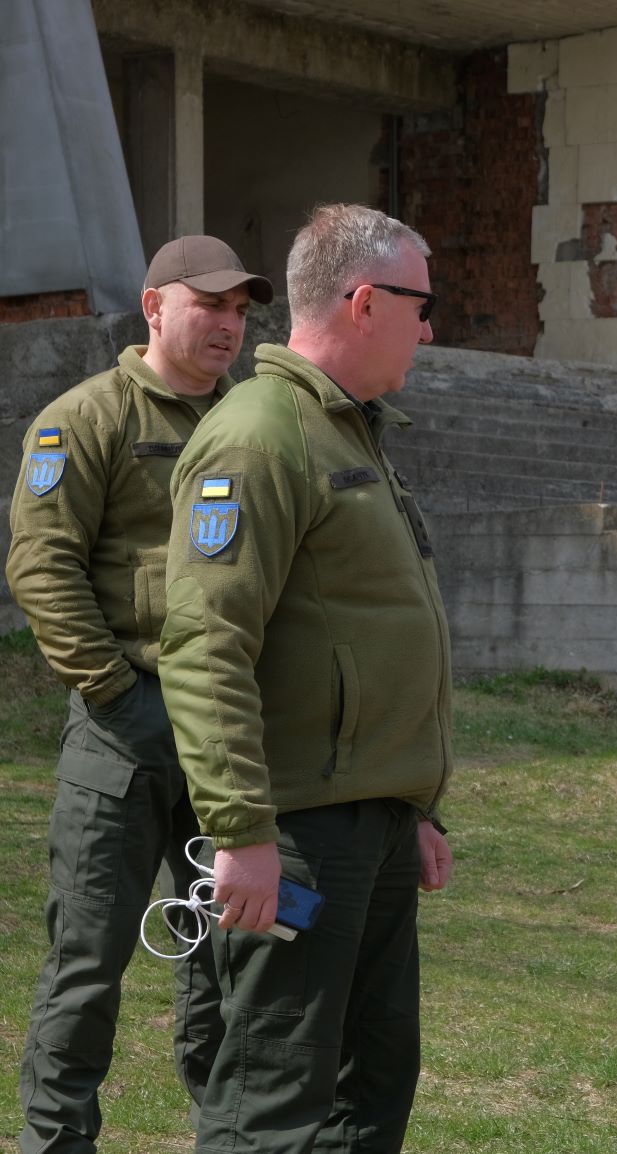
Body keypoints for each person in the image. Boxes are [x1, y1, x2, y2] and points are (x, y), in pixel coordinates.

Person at [157, 204, 455, 1152]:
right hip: (296, 835)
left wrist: (410, 808)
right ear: (366, 302)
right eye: (421, 304)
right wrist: (242, 833)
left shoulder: (349, 431)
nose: (430, 326)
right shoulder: (261, 435)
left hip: (367, 824)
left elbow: (363, 632)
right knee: (274, 1100)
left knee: (370, 1089)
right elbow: (207, 647)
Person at [8, 235, 271, 1153]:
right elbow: (41, 567)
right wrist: (119, 696)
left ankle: (227, 1138)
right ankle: (55, 1142)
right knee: (89, 967)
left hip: (229, 739)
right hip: (122, 737)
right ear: (156, 308)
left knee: (226, 965)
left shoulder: (255, 424)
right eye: (211, 306)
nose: (229, 326)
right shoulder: (86, 417)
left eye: (241, 311)